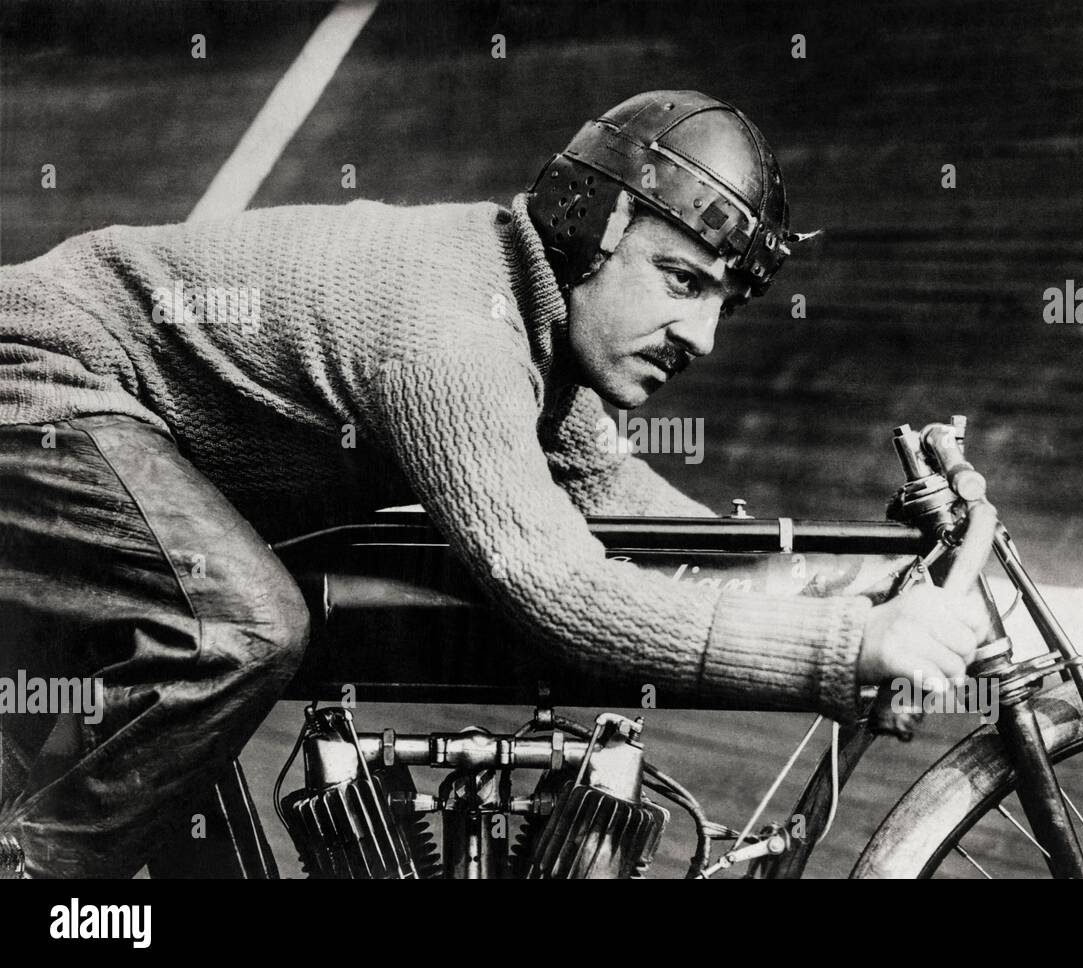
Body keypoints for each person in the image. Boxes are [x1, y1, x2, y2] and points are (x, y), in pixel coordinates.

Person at [0, 90, 986, 877]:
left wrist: (840, 585)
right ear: (589, 224)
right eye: (682, 281)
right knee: (242, 626)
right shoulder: (456, 330)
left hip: (108, 405)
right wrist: (842, 648)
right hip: (43, 369)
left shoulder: (536, 326)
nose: (703, 336)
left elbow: (628, 508)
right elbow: (558, 585)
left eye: (722, 302)